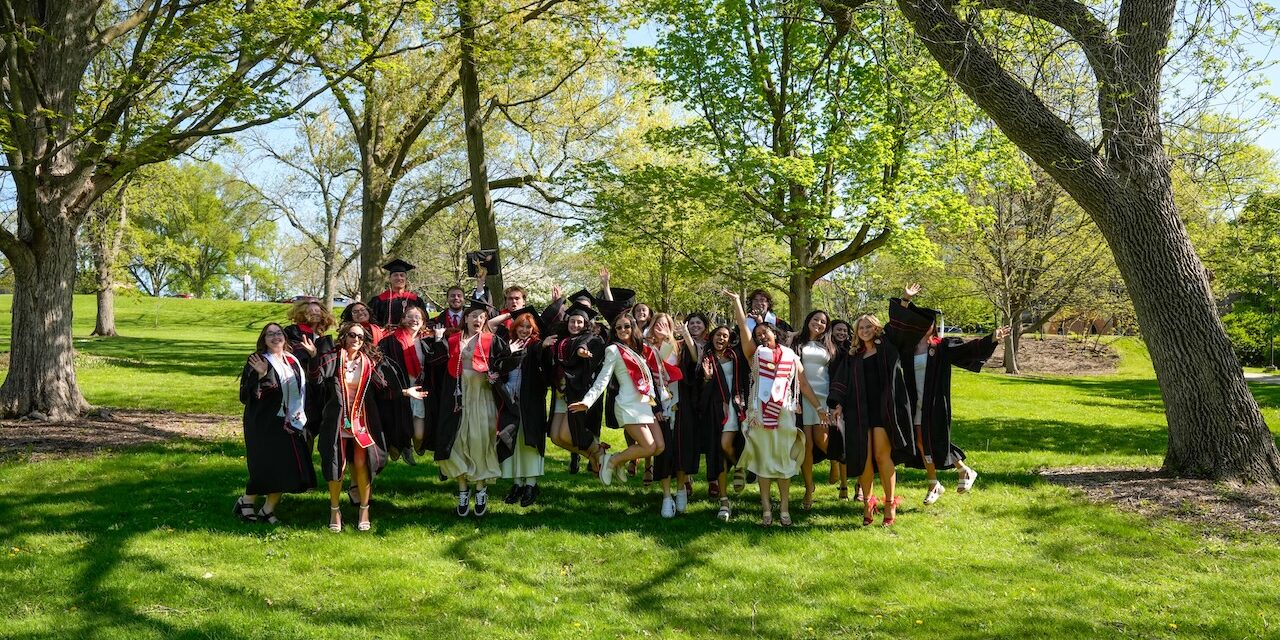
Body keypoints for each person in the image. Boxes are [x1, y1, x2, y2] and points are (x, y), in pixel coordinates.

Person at [889, 284, 1010, 505]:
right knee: (919, 441)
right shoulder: (906, 347)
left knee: (936, 439)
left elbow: (968, 350)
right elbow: (895, 326)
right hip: (913, 402)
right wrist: (905, 299)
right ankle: (935, 482)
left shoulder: (941, 347)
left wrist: (992, 338)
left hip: (934, 402)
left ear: (931, 326)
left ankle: (962, 471)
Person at [724, 290, 828, 527]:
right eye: (757, 334)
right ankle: (766, 510)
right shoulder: (755, 355)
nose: (761, 336)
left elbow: (803, 384)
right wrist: (737, 303)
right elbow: (743, 328)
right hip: (760, 416)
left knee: (783, 462)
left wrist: (819, 408)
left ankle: (784, 507)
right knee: (763, 462)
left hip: (784, 415)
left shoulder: (791, 356)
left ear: (775, 333)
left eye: (764, 332)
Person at [313, 322, 426, 532]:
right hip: (337, 421)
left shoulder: (369, 362)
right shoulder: (333, 359)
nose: (356, 339)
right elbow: (316, 379)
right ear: (344, 337)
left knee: (362, 463)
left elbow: (383, 391)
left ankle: (364, 509)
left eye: (360, 337)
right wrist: (314, 357)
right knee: (338, 463)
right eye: (352, 335)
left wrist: (405, 392)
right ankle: (334, 509)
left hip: (361, 421)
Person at [569, 313, 675, 517]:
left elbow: (663, 362)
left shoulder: (640, 350)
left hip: (646, 405)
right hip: (627, 405)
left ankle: (618, 460)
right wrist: (588, 401)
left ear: (633, 326)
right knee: (648, 446)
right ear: (614, 331)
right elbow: (603, 379)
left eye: (627, 326)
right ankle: (612, 460)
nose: (623, 330)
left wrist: (666, 338)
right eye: (618, 328)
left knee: (659, 446)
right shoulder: (613, 350)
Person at [423, 300, 515, 517]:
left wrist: (496, 374)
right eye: (474, 316)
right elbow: (434, 363)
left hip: (482, 398)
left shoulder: (491, 340)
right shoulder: (453, 340)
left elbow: (505, 364)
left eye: (481, 317)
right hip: (457, 399)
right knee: (457, 443)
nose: (478, 320)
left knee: (480, 441)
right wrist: (437, 339)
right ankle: (463, 490)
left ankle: (481, 489)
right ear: (465, 318)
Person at [827, 314, 913, 526]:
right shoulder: (853, 355)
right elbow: (842, 380)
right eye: (861, 327)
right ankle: (868, 502)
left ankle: (890, 502)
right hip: (858, 409)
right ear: (856, 332)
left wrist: (904, 301)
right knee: (863, 457)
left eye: (868, 326)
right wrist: (836, 403)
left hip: (883, 410)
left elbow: (898, 328)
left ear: (876, 328)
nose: (864, 330)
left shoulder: (888, 348)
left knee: (882, 455)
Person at [235, 323, 316, 524]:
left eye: (278, 333)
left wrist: (313, 356)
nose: (275, 337)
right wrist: (263, 375)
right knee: (266, 465)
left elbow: (311, 381)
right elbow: (247, 396)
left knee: (286, 467)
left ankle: (267, 510)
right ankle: (246, 502)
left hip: (292, 421)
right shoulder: (258, 360)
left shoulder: (292, 360)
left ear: (285, 337)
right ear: (263, 339)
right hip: (264, 422)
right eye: (269, 334)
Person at [694, 324, 750, 521]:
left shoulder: (736, 357)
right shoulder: (705, 358)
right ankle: (724, 501)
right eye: (718, 335)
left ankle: (740, 467)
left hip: (734, 409)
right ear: (712, 337)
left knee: (726, 444)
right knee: (718, 454)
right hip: (714, 412)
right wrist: (707, 378)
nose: (721, 339)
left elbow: (745, 380)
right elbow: (698, 388)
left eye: (725, 336)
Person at [496, 307, 550, 507]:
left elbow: (540, 356)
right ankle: (517, 483)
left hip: (531, 401)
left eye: (528, 327)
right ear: (515, 327)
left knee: (530, 441)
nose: (525, 330)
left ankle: (531, 484)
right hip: (510, 398)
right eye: (521, 326)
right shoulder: (508, 344)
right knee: (513, 440)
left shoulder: (536, 345)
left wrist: (542, 346)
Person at [546, 301, 607, 476]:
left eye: (580, 322)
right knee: (556, 437)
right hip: (559, 391)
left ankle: (597, 451)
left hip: (575, 391)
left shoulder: (591, 338)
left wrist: (583, 352)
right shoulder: (561, 338)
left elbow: (584, 346)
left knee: (566, 435)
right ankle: (596, 455)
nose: (575, 325)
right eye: (573, 321)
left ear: (586, 324)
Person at [789, 310, 836, 511]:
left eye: (823, 321)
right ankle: (809, 489)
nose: (819, 323)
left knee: (822, 441)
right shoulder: (795, 343)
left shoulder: (830, 344)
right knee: (804, 447)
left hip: (823, 397)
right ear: (808, 320)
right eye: (816, 319)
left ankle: (837, 463)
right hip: (802, 398)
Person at [646, 313, 692, 516]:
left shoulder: (679, 346)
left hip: (678, 399)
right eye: (658, 323)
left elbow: (694, 360)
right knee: (663, 450)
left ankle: (681, 489)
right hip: (656, 401)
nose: (662, 327)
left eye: (666, 324)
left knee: (681, 447)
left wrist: (674, 339)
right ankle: (666, 496)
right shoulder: (647, 347)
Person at [377, 306, 431, 466]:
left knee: (420, 434)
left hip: (420, 390)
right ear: (402, 319)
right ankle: (401, 446)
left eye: (418, 317)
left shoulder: (427, 341)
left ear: (422, 322)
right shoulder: (389, 342)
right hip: (401, 391)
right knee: (399, 430)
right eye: (410, 316)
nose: (414, 320)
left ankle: (413, 445)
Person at [283, 298, 335, 433]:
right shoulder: (293, 331)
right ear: (302, 313)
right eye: (310, 310)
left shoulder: (321, 338)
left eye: (317, 310)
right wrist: (312, 355)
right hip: (297, 384)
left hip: (316, 387)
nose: (314, 313)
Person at [827, 319, 854, 500]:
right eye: (838, 330)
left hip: (852, 400)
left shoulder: (853, 350)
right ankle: (842, 482)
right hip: (830, 399)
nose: (842, 333)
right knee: (837, 440)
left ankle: (856, 487)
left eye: (844, 330)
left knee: (853, 443)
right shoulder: (826, 349)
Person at [367, 259, 427, 329]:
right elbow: (371, 321)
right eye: (395, 275)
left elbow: (424, 320)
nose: (399, 278)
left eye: (402, 275)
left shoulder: (416, 300)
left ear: (406, 279)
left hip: (411, 337)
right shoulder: (378, 301)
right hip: (385, 337)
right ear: (389, 279)